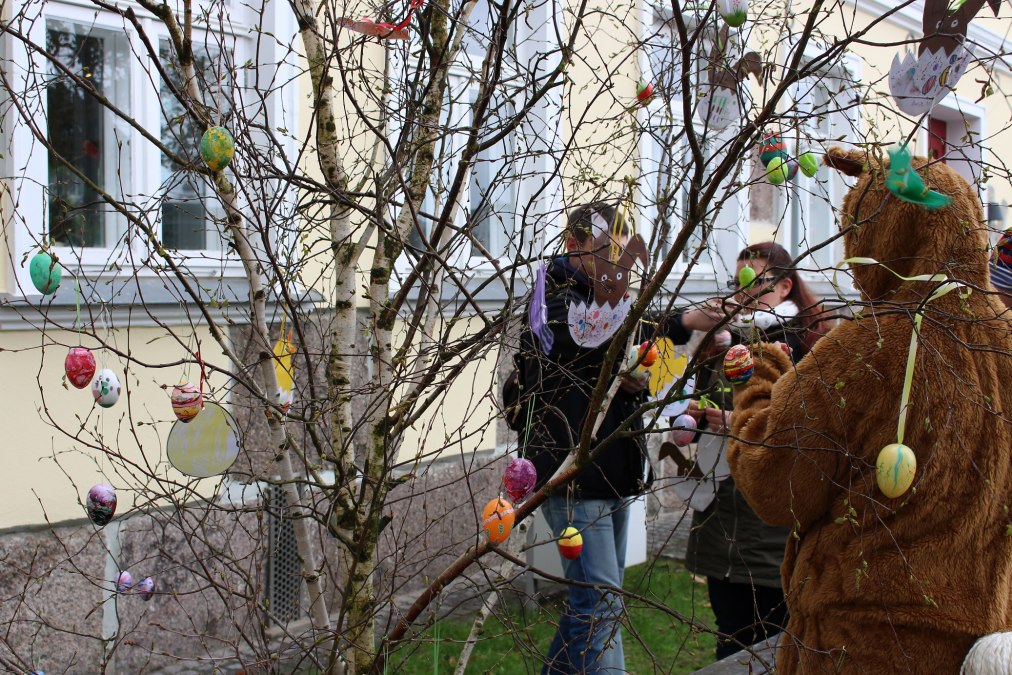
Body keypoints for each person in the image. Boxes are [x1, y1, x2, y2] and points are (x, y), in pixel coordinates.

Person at [518, 201, 719, 674]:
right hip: (570, 472)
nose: (615, 263)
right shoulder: (552, 298)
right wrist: (622, 368)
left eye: (622, 253)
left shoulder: (612, 295)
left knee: (591, 604)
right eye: (606, 252)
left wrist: (687, 323)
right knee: (601, 605)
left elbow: (635, 330)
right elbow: (592, 340)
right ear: (574, 244)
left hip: (613, 467)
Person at [680, 241, 827, 660]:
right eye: (736, 282)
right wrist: (697, 414)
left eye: (755, 282)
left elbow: (814, 434)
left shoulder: (810, 346)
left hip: (774, 525)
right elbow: (700, 399)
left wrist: (738, 424)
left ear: (784, 287)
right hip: (723, 518)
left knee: (778, 647)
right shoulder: (723, 342)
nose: (742, 293)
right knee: (731, 644)